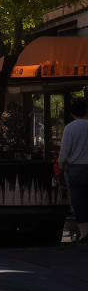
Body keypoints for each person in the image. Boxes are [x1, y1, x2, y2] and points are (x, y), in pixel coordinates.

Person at [60, 98, 88, 242]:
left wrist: (60, 167)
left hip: (75, 169)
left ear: (72, 113)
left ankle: (84, 232)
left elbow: (64, 152)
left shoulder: (69, 128)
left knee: (78, 201)